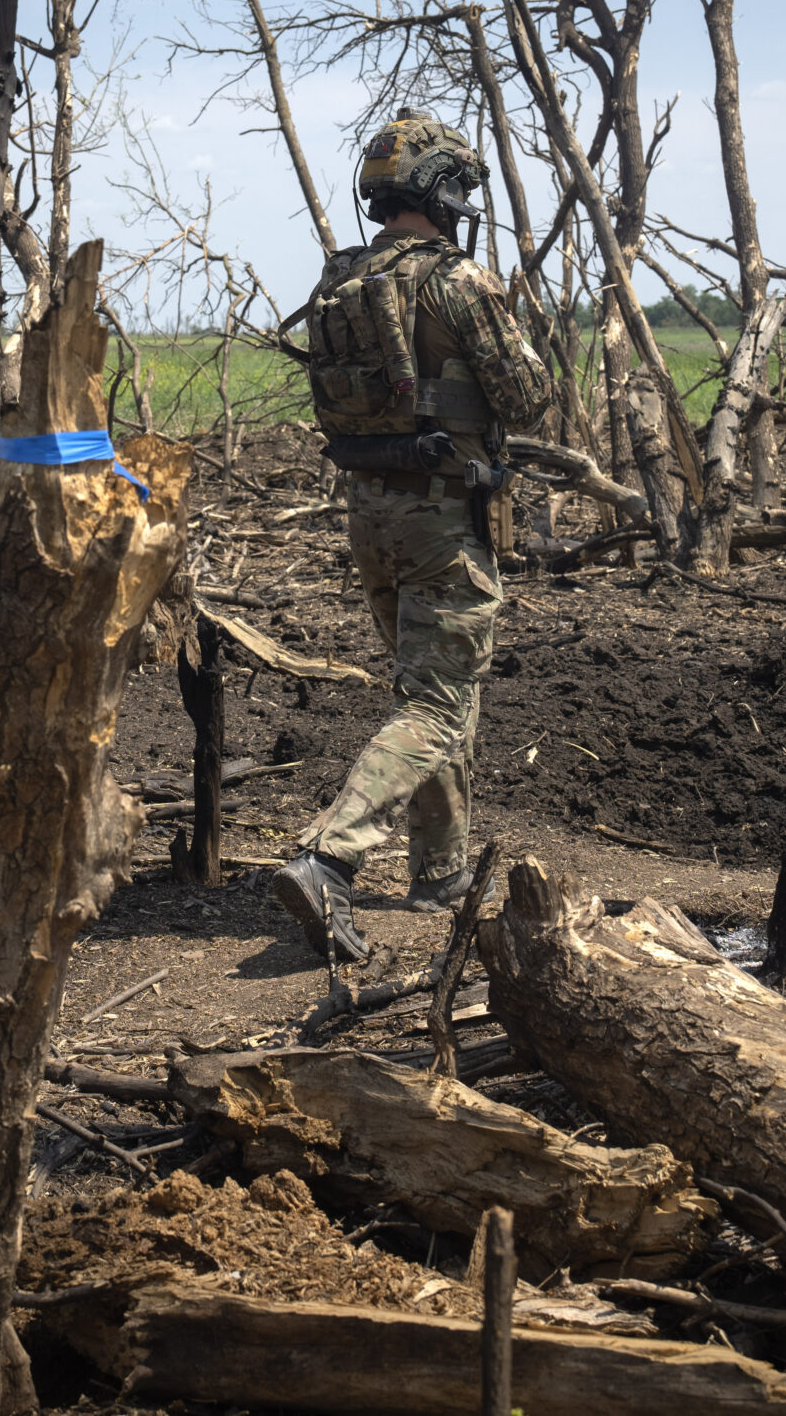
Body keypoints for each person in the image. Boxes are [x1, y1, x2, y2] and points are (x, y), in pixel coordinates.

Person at [271, 108, 551, 961]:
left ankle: (441, 869)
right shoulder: (459, 282)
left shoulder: (340, 279)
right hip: (442, 514)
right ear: (440, 189)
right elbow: (530, 398)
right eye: (460, 185)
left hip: (372, 514)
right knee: (435, 698)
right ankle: (331, 854)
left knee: (437, 692)